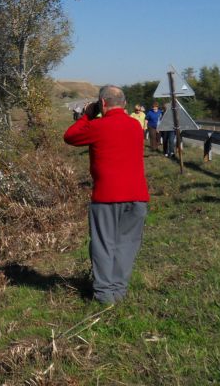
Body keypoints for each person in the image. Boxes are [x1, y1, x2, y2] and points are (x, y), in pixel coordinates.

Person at [63, 85, 150, 304]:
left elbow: (70, 136)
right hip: (137, 196)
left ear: (102, 104)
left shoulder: (98, 126)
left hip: (107, 196)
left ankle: (103, 295)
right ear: (125, 104)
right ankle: (118, 292)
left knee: (103, 244)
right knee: (127, 245)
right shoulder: (135, 126)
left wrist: (86, 116)